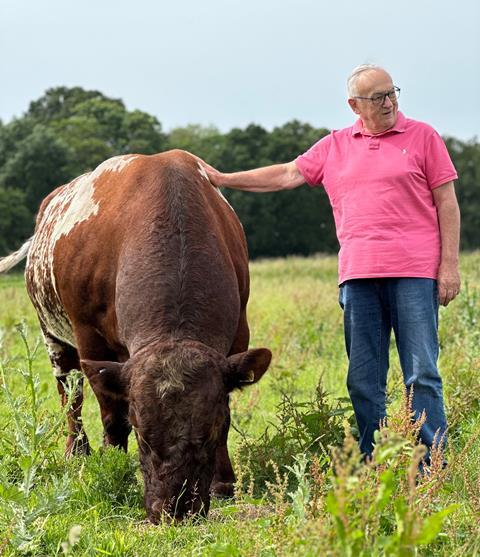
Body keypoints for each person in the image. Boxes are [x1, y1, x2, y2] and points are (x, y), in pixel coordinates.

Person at [201, 64, 461, 460]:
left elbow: (448, 204)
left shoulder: (423, 137)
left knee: (421, 373)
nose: (389, 102)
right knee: (363, 379)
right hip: (358, 277)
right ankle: (375, 461)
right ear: (355, 105)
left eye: (392, 93)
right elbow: (287, 174)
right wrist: (223, 179)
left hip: (414, 272)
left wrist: (449, 267)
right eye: (378, 97)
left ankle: (432, 463)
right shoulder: (335, 145)